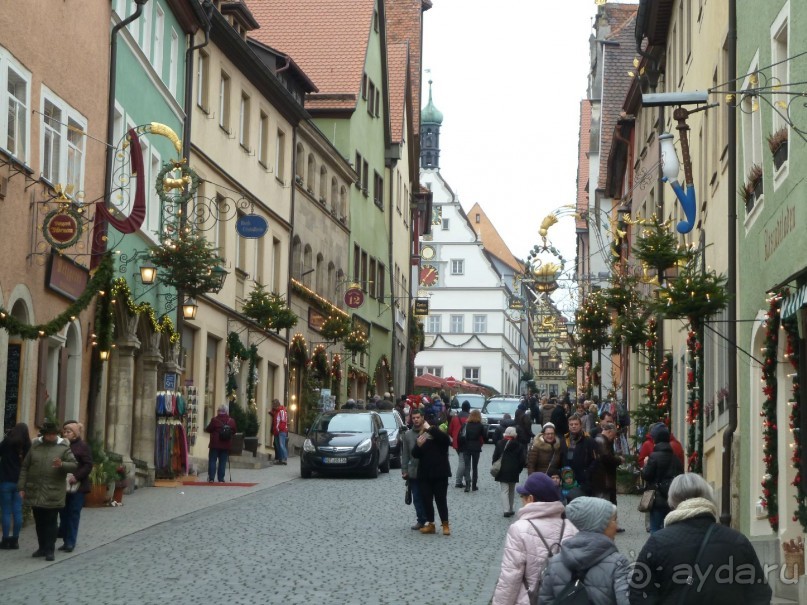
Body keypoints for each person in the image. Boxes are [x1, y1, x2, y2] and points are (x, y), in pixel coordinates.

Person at [630, 473, 772, 604]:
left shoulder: (657, 543)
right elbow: (760, 594)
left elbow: (639, 594)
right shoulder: (737, 541)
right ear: (708, 497)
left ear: (672, 501)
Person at [492, 472, 578, 605]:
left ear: (530, 499)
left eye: (522, 496)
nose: (521, 500)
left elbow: (510, 577)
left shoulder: (519, 529)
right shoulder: (571, 527)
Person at [540, 497, 630, 605]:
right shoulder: (618, 564)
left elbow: (544, 601)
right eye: (614, 520)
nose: (617, 526)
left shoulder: (555, 562)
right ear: (599, 525)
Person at [18, 421, 77, 561]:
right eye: (48, 434)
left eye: (53, 434)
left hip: (53, 491)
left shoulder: (63, 447)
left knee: (51, 521)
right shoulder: (35, 446)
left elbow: (74, 465)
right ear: (44, 434)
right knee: (39, 521)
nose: (51, 437)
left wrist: (62, 464)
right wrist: (21, 487)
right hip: (35, 490)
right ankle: (42, 547)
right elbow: (25, 467)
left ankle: (50, 550)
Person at [412, 408, 452, 535]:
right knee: (427, 500)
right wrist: (418, 445)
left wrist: (430, 428)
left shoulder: (441, 439)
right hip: (425, 475)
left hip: (440, 475)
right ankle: (431, 524)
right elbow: (415, 454)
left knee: (441, 500)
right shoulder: (422, 438)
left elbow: (445, 440)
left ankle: (445, 524)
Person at [57, 421, 93, 553]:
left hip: (78, 487)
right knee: (63, 514)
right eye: (64, 431)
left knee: (73, 513)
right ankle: (66, 540)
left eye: (69, 431)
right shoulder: (61, 446)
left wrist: (76, 476)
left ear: (75, 433)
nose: (65, 434)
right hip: (62, 485)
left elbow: (88, 464)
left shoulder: (82, 446)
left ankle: (71, 542)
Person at [642, 425, 684, 533]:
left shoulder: (654, 456)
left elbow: (646, 475)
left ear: (655, 440)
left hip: (657, 498)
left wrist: (646, 465)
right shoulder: (675, 459)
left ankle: (656, 550)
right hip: (671, 498)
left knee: (655, 528)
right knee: (669, 529)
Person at [0, 423, 31, 550]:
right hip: (20, 482)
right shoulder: (27, 445)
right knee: (17, 511)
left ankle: (5, 540)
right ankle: (15, 540)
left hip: (5, 480)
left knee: (6, 511)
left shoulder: (7, 442)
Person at [401, 407, 427, 530]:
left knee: (427, 496)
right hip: (414, 471)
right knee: (416, 496)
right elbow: (405, 454)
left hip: (428, 471)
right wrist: (404, 470)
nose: (416, 420)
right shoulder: (407, 435)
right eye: (413, 418)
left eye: (418, 417)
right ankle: (420, 520)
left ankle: (429, 518)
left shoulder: (428, 433)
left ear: (422, 418)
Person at [559, 413, 597, 495]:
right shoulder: (564, 440)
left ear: (580, 425)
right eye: (571, 424)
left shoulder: (589, 440)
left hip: (583, 479)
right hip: (567, 477)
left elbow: (595, 460)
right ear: (568, 426)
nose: (573, 426)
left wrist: (587, 473)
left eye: (576, 424)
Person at [493, 426, 526, 517]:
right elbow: (522, 460)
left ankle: (506, 510)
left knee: (504, 490)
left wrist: (495, 465)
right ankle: (511, 508)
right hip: (514, 470)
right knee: (511, 490)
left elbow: (495, 457)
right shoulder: (519, 445)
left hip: (503, 469)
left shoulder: (500, 443)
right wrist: (519, 470)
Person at [591, 422, 623, 506]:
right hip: (604, 480)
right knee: (607, 506)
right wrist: (619, 459)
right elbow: (607, 458)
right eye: (613, 435)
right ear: (609, 432)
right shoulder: (601, 440)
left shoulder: (601, 440)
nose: (613, 438)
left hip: (605, 479)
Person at [205, 404, 236, 482]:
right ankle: (221, 479)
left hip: (215, 444)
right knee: (222, 461)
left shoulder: (214, 420)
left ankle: (211, 478)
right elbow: (234, 431)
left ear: (219, 411)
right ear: (226, 412)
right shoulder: (231, 421)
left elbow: (208, 429)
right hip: (226, 444)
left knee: (212, 460)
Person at [461, 409, 485, 492]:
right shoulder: (480, 426)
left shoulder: (466, 424)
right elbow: (484, 437)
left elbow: (461, 435)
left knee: (467, 466)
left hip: (466, 447)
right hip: (476, 447)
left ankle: (467, 484)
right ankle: (474, 485)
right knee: (475, 467)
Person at [448, 401, 470, 488]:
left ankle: (466, 479)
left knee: (463, 461)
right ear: (468, 408)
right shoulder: (469, 418)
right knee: (463, 461)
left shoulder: (455, 418)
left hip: (457, 442)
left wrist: (454, 437)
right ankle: (458, 481)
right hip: (465, 442)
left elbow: (449, 431)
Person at [270, 398, 289, 465]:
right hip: (277, 431)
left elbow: (283, 421)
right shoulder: (276, 411)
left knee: (281, 445)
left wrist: (279, 429)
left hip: (281, 431)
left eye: (273, 405)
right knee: (278, 446)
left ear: (276, 405)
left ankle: (284, 459)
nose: (272, 406)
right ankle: (280, 459)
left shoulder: (282, 411)